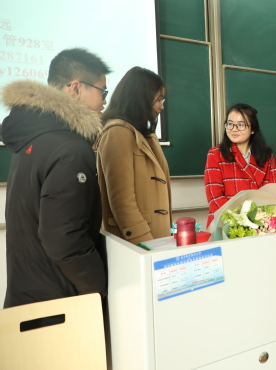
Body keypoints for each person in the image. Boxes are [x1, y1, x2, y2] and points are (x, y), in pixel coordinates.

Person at [1, 48, 110, 308]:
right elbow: (64, 239)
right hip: (60, 303)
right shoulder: (70, 149)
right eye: (103, 92)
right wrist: (98, 289)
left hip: (28, 295)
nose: (104, 102)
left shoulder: (32, 140)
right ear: (75, 88)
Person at [94, 67, 172, 245]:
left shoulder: (146, 134)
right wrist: (145, 245)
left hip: (156, 240)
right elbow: (122, 203)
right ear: (141, 98)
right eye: (158, 99)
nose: (162, 106)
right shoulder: (117, 132)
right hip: (135, 245)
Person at [205, 103, 276, 226]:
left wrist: (259, 219)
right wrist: (241, 219)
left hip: (260, 222)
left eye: (241, 125)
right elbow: (215, 198)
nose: (234, 129)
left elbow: (274, 194)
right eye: (230, 124)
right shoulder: (215, 154)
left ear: (253, 129)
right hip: (226, 222)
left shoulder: (266, 156)